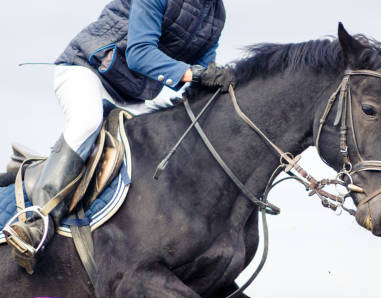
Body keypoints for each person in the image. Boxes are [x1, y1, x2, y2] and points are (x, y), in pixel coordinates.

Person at [4, 0, 230, 273]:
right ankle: (37, 221)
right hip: (85, 70)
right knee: (87, 120)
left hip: (131, 96)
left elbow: (201, 74)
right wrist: (191, 74)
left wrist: (215, 84)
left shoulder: (216, 14)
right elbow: (139, 53)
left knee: (160, 149)